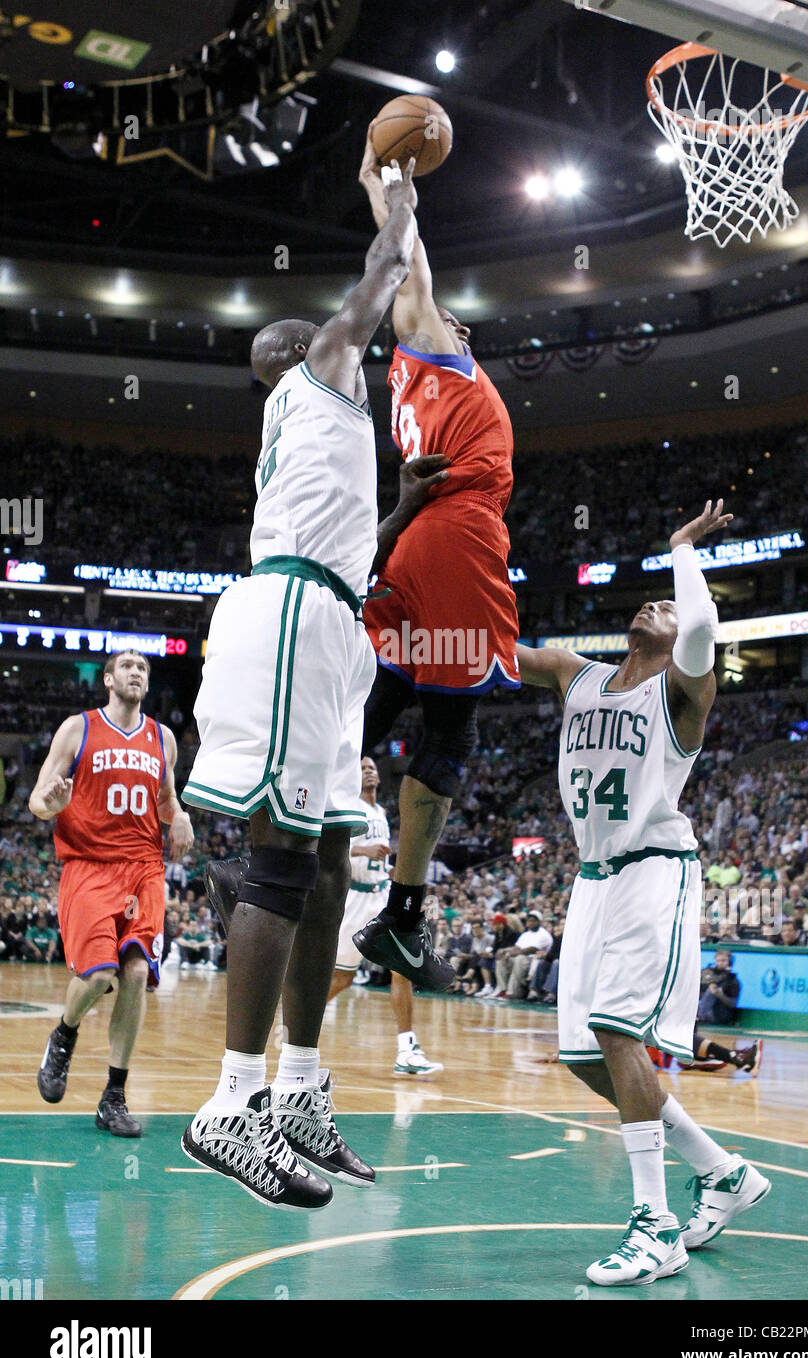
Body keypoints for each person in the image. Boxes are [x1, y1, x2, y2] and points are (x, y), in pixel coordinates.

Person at [180, 157, 439, 1209]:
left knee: (332, 859)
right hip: (287, 620)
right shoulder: (320, 367)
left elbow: (343, 551)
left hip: (327, 615)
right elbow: (379, 279)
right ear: (300, 353)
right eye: (326, 330)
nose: (348, 337)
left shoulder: (321, 429)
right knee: (282, 865)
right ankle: (228, 1103)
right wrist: (396, 205)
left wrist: (403, 508)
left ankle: (294, 1085)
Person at [517, 500, 770, 1288]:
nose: (654, 605)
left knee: (620, 1034)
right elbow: (492, 653)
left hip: (655, 868)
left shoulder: (681, 699)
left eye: (666, 604)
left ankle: (655, 1225)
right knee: (586, 1056)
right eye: (649, 598)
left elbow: (698, 631)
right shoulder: (576, 673)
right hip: (592, 879)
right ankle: (721, 1172)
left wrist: (682, 552)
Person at [351, 128, 521, 993]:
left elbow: (393, 266)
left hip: (413, 544)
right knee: (451, 718)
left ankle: (297, 808)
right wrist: (393, 185)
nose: (455, 317)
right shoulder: (436, 356)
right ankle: (407, 916)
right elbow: (408, 264)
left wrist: (376, 185)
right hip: (456, 537)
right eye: (449, 316)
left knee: (384, 688)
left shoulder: (404, 387)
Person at [28, 649, 194, 1137]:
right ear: (108, 679)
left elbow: (166, 801)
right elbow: (40, 796)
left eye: (142, 667)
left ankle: (114, 1096)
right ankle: (65, 1031)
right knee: (100, 976)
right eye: (127, 666)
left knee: (138, 970)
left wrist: (179, 816)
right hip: (88, 866)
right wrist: (50, 804)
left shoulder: (162, 738)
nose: (136, 672)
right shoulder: (77, 729)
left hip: (143, 867)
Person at [327, 756, 442, 1076]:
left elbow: (378, 860)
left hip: (380, 894)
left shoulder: (381, 813)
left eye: (373, 767)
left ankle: (407, 1049)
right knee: (342, 977)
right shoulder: (347, 806)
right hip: (354, 899)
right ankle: (298, 1018)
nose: (369, 771)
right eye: (363, 768)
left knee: (402, 966)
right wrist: (363, 851)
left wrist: (391, 871)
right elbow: (331, 848)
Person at [696, 948, 741, 1025]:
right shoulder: (707, 972)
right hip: (705, 1009)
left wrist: (719, 994)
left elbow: (733, 1003)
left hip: (721, 1014)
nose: (720, 963)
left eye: (723, 961)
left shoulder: (732, 980)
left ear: (729, 962)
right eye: (718, 961)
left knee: (711, 991)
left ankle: (699, 1016)